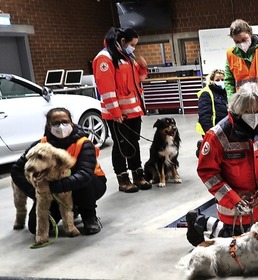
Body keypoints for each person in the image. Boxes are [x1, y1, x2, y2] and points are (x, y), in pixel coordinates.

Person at [187, 82, 258, 246]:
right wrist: (232, 198)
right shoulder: (218, 135)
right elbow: (208, 172)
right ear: (237, 109)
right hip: (235, 197)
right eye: (248, 111)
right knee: (236, 242)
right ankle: (199, 221)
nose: (254, 115)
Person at [11, 107, 106, 235]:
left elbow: (84, 175)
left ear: (71, 123)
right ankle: (71, 209)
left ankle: (89, 215)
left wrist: (50, 187)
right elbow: (16, 170)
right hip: (53, 192)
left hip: (90, 186)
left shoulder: (83, 143)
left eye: (65, 122)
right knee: (35, 228)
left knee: (83, 180)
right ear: (48, 125)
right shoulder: (40, 145)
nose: (61, 126)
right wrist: (36, 191)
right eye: (56, 123)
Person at [93, 27, 152, 193]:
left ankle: (137, 175)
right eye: (132, 44)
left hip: (133, 110)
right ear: (123, 41)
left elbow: (136, 81)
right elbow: (106, 89)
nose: (134, 48)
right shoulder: (105, 58)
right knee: (121, 146)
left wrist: (143, 68)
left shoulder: (127, 57)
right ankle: (123, 179)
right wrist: (115, 112)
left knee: (133, 143)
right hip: (118, 115)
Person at [196, 69, 229, 136]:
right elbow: (204, 116)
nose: (220, 82)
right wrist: (210, 134)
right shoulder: (206, 93)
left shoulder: (226, 92)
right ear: (211, 80)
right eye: (217, 80)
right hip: (213, 130)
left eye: (223, 80)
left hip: (225, 129)